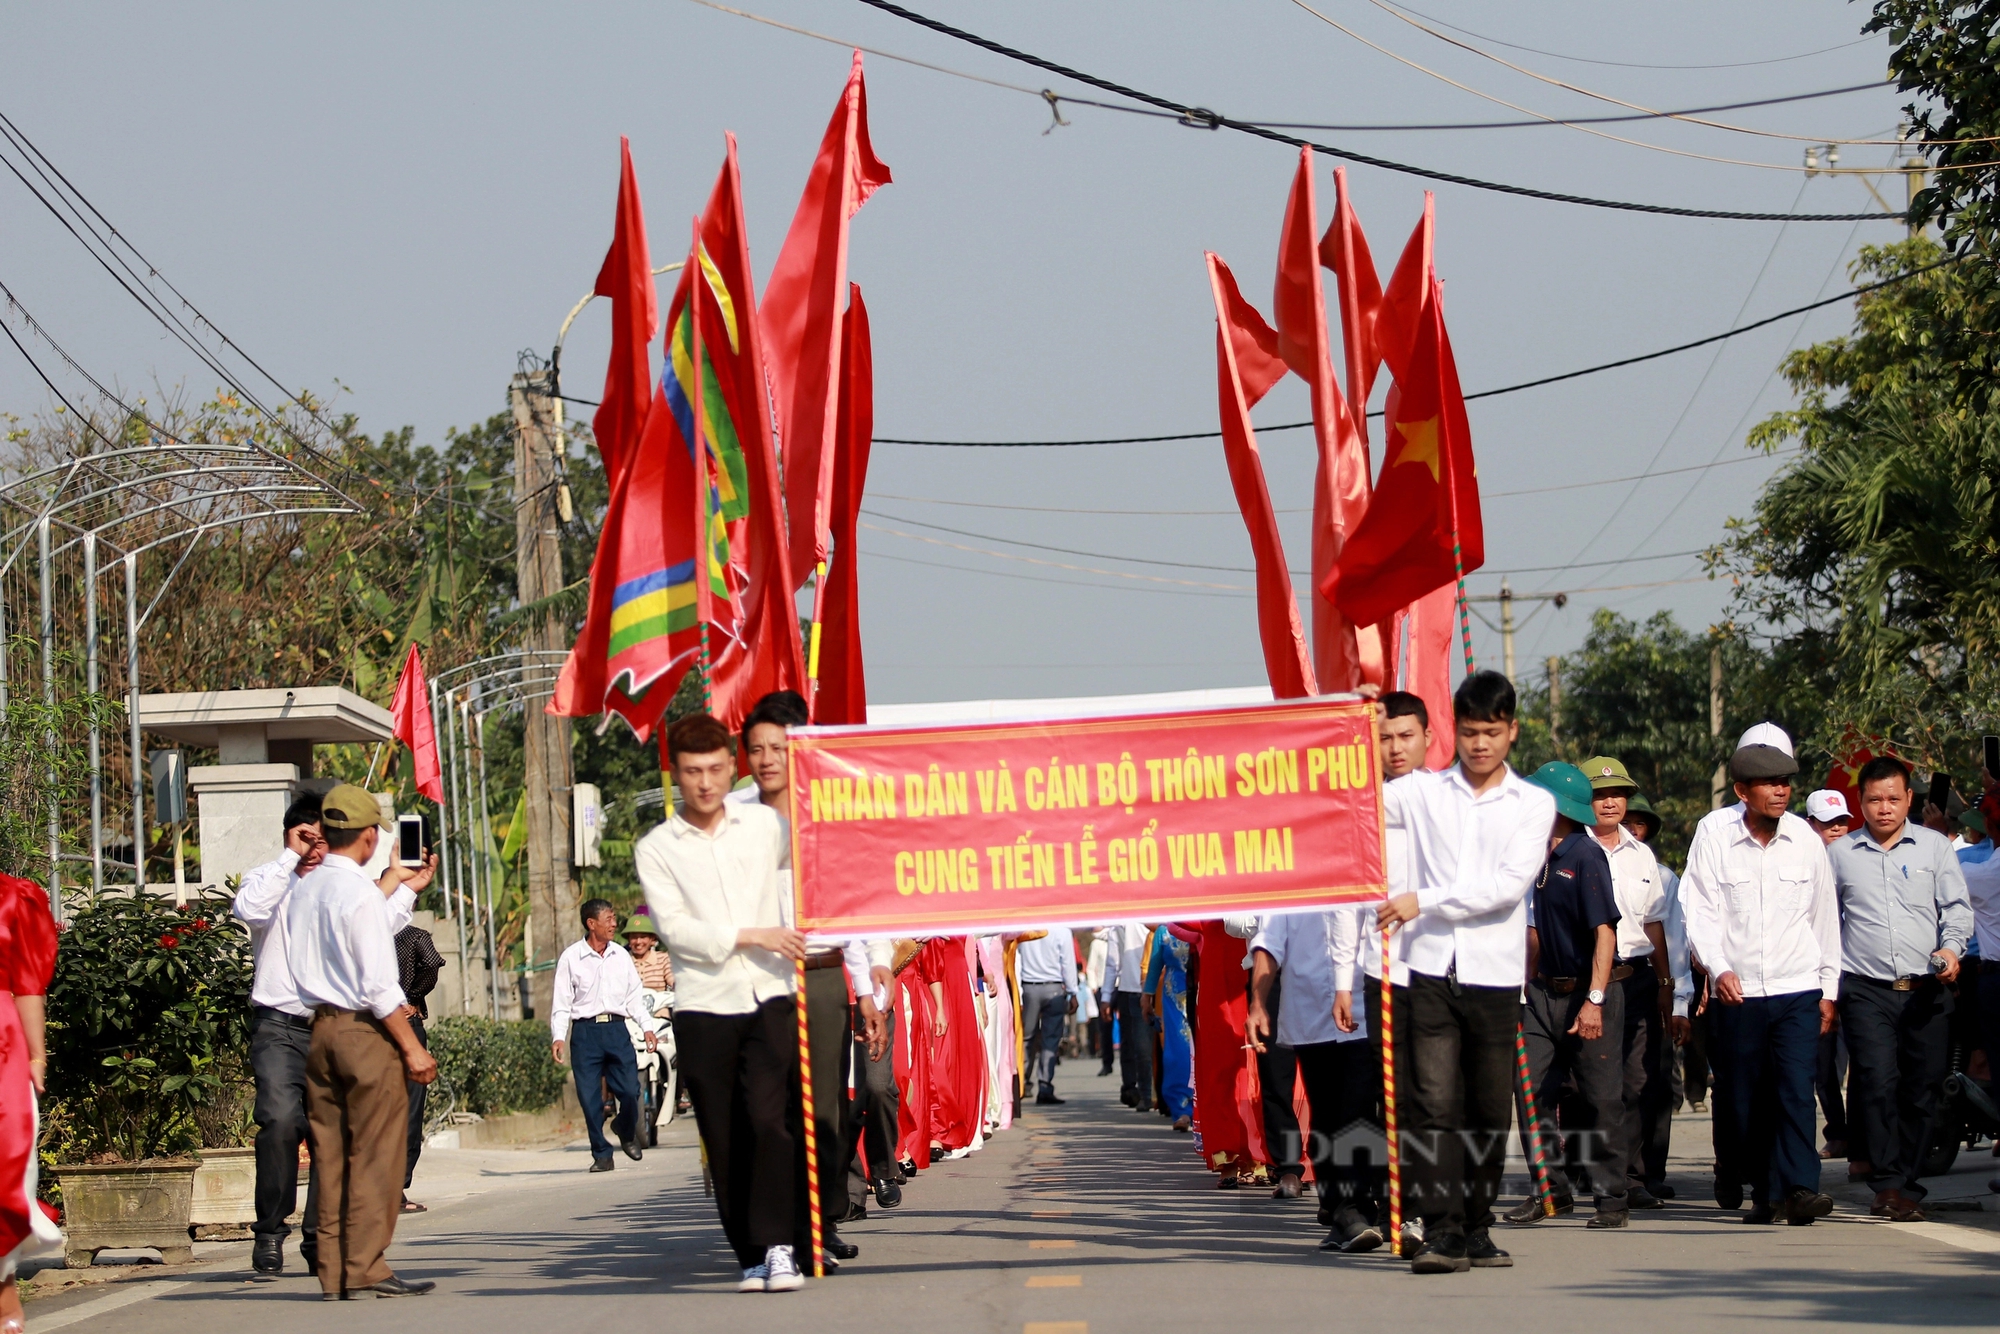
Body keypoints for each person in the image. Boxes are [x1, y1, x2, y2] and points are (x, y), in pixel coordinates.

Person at [1377, 669, 1553, 1274]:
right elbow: (1349, 800)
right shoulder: (1420, 792)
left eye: (1492, 733)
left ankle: (1477, 1225)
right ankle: (1444, 1231)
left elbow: (1504, 890)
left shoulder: (1535, 804)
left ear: (1512, 732)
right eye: (1471, 732)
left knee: (1486, 1110)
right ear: (1455, 731)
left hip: (1496, 977)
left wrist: (1421, 899)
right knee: (1431, 1104)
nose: (1480, 745)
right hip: (1425, 971)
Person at [639, 713, 806, 1294]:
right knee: (724, 1133)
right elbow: (676, 930)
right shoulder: (657, 848)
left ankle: (783, 1246)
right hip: (704, 1005)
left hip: (770, 996)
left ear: (730, 767)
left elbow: (816, 863)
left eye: (714, 769)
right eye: (692, 772)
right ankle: (751, 1255)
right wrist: (751, 934)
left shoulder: (764, 826)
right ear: (676, 774)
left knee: (769, 1123)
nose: (705, 783)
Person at [234, 792, 427, 1279]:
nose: (316, 846)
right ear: (292, 834)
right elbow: (250, 910)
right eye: (308, 837)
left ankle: (319, 1238)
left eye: (323, 837)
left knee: (331, 1135)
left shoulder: (336, 884)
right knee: (278, 1123)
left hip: (325, 1024)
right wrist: (290, 856)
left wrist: (403, 887)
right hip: (278, 1024)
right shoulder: (271, 879)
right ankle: (271, 1231)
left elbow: (370, 929)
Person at [732, 688, 889, 1256]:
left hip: (823, 981)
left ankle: (818, 1223)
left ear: (802, 747)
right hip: (758, 979)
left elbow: (854, 905)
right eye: (757, 748)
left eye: (780, 745)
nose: (768, 757)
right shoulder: (730, 818)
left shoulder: (830, 814)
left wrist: (867, 992)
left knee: (824, 1113)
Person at [1679, 725, 1840, 1227]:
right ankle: (1760, 1185)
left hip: (1796, 987)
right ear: (1742, 791)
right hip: (1739, 991)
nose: (1780, 791)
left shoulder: (1806, 843)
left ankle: (1799, 1187)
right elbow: (1697, 908)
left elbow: (1824, 916)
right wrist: (1718, 967)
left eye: (1785, 783)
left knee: (1795, 1088)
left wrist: (1829, 988)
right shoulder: (1714, 833)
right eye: (1768, 783)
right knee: (1744, 1095)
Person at [285, 783, 439, 1300]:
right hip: (364, 1032)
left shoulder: (303, 888)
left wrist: (397, 880)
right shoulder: (358, 895)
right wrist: (412, 1047)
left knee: (331, 1155)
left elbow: (350, 916)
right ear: (370, 837)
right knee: (379, 1152)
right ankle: (367, 1264)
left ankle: (332, 1270)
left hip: (318, 1030)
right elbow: (378, 983)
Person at [1825, 755, 1974, 1222]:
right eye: (1874, 799)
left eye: (1893, 798)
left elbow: (1957, 909)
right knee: (1875, 1082)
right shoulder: (1840, 854)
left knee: (1922, 1088)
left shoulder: (1934, 848)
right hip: (1866, 988)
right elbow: (1826, 923)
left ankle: (1908, 1182)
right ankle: (1886, 1182)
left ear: (1909, 798)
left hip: (1928, 990)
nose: (1884, 808)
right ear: (1861, 803)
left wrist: (1952, 951)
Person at [1506, 762, 1628, 1229]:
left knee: (1600, 1098)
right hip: (1541, 994)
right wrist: (1521, 980)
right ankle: (1549, 1192)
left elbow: (1604, 934)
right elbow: (1535, 929)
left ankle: (1611, 1198)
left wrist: (1594, 1000)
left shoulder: (1586, 855)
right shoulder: (1539, 855)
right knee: (1530, 1089)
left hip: (1588, 992)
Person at [1330, 691, 1426, 1254]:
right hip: (1378, 970)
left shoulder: (1449, 804)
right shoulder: (1360, 808)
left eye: (1404, 736)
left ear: (1427, 738)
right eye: (1384, 737)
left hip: (1438, 969)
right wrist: (1344, 979)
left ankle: (1423, 1211)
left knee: (1426, 1097)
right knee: (1378, 1098)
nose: (1394, 747)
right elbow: (1349, 900)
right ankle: (1377, 1208)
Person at [1248, 910, 1378, 1252]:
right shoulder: (1291, 873)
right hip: (1310, 1007)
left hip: (1364, 1004)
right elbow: (1268, 942)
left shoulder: (1365, 862)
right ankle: (1344, 1211)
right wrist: (1258, 1002)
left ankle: (1363, 1204)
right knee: (1329, 1113)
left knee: (1361, 1109)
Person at [1579, 756, 1672, 1210]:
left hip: (1635, 977)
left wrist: (1666, 980)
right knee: (1594, 1084)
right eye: (1599, 794)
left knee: (1636, 1081)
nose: (1610, 801)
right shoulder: (1568, 851)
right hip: (1586, 981)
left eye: (1617, 793)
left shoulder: (1642, 854)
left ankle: (1631, 1177)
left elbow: (1654, 923)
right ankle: (1589, 1169)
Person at [550, 899, 655, 1173]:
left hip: (617, 1031)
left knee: (631, 1091)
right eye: (608, 918)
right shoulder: (571, 958)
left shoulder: (621, 955)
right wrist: (558, 1036)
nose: (613, 924)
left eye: (613, 917)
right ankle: (602, 1154)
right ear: (591, 923)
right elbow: (562, 1001)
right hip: (585, 1034)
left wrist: (647, 1026)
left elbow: (634, 997)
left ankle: (624, 1126)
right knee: (590, 1100)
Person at [0, 872, 61, 1331]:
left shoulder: (13, 896)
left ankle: (3, 1293)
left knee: (4, 1166)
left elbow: (26, 982)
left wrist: (37, 1054)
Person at [1802, 789, 1857, 1165]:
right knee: (1823, 1068)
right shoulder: (1801, 862)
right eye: (1828, 823)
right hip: (1815, 977)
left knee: (1868, 1065)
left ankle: (1864, 1136)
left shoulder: (1857, 859)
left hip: (1857, 975)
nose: (1836, 829)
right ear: (1811, 825)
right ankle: (1837, 1133)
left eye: (1842, 822)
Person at [395, 922, 444, 1212]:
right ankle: (395, 1188)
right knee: (409, 1109)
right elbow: (432, 964)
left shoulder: (357, 928)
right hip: (403, 1023)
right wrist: (413, 997)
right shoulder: (414, 935)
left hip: (366, 1026)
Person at [1014, 927, 1078, 1105]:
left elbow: (1016, 957)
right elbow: (1068, 962)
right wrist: (1073, 991)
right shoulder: (1062, 930)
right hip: (1054, 987)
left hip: (1029, 986)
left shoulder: (1026, 926)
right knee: (1050, 1039)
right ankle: (1045, 1085)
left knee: (1026, 1037)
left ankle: (1022, 1082)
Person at [1107, 922, 1155, 1113]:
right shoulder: (1123, 920)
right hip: (1132, 989)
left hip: (1162, 987)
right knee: (1138, 1046)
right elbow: (1113, 961)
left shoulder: (1164, 919)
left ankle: (1167, 1095)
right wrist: (1106, 995)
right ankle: (1143, 1093)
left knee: (1165, 1046)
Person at [623, 910, 675, 995]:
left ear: (652, 940)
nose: (638, 942)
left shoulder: (663, 958)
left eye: (643, 937)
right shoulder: (623, 960)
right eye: (634, 937)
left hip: (658, 1005)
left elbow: (671, 978)